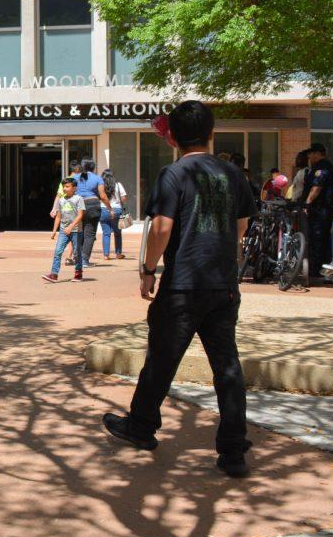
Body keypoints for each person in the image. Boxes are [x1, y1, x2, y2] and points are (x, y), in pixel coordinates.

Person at [103, 100, 255, 478]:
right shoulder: (231, 173)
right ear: (212, 132)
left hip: (183, 285)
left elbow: (162, 228)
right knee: (227, 368)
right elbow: (241, 228)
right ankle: (233, 451)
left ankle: (141, 427)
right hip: (223, 285)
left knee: (161, 360)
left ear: (172, 136)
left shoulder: (173, 174)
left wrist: (148, 269)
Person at [303, 143, 333, 278]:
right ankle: (318, 269)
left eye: (310, 153)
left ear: (317, 153)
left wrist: (307, 203)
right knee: (316, 238)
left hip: (321, 210)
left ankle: (318, 270)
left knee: (318, 239)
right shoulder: (318, 167)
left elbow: (316, 188)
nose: (309, 156)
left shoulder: (323, 167)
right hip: (319, 209)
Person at [43, 178, 84, 283]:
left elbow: (80, 215)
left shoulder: (78, 199)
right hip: (63, 230)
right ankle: (54, 274)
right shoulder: (61, 200)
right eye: (63, 187)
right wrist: (54, 231)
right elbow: (58, 216)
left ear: (74, 188)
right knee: (58, 251)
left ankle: (78, 273)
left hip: (76, 230)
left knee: (76, 252)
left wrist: (71, 227)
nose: (65, 189)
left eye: (67, 187)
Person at [72, 159, 112, 267]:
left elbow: (68, 191)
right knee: (89, 234)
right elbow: (103, 196)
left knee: (79, 233)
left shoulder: (74, 178)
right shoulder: (98, 178)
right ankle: (84, 260)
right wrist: (110, 209)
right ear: (93, 167)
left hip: (77, 205)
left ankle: (77, 258)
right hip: (92, 205)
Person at [99, 169, 128, 260]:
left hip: (103, 210)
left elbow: (99, 197)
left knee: (106, 233)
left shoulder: (100, 186)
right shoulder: (118, 185)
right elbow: (123, 198)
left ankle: (106, 255)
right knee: (117, 233)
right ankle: (118, 254)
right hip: (116, 210)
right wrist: (118, 201)